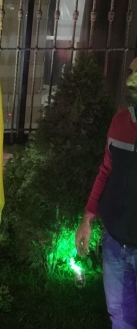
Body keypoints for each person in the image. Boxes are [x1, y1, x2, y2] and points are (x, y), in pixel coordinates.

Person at [75, 56, 137, 329]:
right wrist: (87, 219)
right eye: (131, 72)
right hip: (115, 242)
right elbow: (106, 171)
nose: (130, 81)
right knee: (120, 316)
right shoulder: (120, 122)